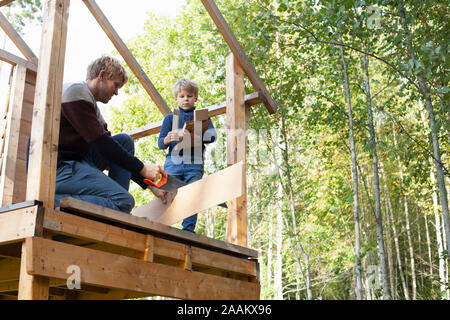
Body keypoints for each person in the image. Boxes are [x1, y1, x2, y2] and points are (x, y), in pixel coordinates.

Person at [54, 55, 167, 213]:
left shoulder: (92, 108)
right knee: (124, 202)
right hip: (59, 168)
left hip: (78, 162)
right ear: (101, 76)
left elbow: (113, 150)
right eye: (115, 85)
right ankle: (54, 200)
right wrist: (142, 168)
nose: (116, 93)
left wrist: (148, 184)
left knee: (124, 141)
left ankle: (114, 208)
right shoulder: (75, 91)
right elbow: (102, 144)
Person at [158, 78, 217, 232]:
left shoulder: (201, 117)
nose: (186, 99)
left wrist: (194, 134)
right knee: (167, 192)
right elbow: (160, 144)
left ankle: (188, 230)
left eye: (189, 96)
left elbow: (212, 137)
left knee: (193, 194)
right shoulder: (170, 118)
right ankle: (164, 226)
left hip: (195, 161)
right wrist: (166, 139)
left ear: (195, 98)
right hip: (173, 162)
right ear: (176, 99)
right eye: (182, 96)